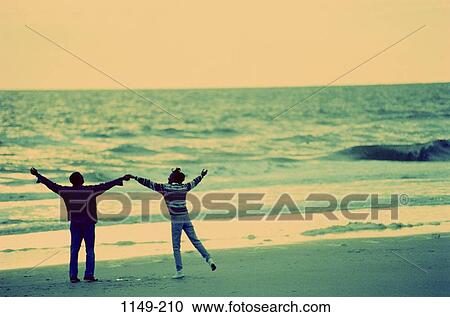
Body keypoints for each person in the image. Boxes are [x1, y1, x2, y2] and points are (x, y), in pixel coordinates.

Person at [30, 167, 131, 283]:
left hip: (75, 225)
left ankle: (73, 276)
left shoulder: (66, 192)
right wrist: (121, 178)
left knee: (74, 250)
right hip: (88, 224)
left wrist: (39, 176)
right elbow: (106, 185)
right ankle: (89, 275)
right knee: (90, 250)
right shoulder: (90, 190)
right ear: (81, 181)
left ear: (72, 182)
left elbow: (52, 185)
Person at [128, 168, 216, 279]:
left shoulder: (165, 188)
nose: (168, 178)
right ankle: (209, 259)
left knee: (176, 246)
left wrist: (135, 177)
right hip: (186, 217)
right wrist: (202, 175)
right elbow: (195, 182)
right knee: (195, 240)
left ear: (173, 178)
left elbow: (148, 183)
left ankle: (179, 271)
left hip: (176, 219)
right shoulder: (184, 187)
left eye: (170, 176)